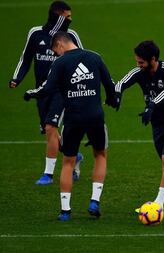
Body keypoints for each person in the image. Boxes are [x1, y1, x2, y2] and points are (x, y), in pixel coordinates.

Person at [24, 31, 120, 221]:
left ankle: (65, 211)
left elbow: (48, 88)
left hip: (73, 119)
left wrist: (31, 93)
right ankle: (94, 201)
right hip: (95, 116)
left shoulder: (60, 63)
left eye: (55, 51)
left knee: (68, 162)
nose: (56, 55)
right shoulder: (95, 57)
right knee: (100, 155)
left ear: (60, 44)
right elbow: (110, 84)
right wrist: (112, 100)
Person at [115, 40, 164, 216]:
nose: (138, 65)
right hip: (158, 124)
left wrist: (151, 105)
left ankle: (158, 205)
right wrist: (117, 94)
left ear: (153, 59)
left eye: (141, 62)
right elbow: (121, 82)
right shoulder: (140, 72)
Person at [9, 1, 84, 185]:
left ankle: (48, 174)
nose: (70, 20)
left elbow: (83, 59)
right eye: (67, 17)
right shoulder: (35, 33)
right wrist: (16, 78)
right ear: (57, 16)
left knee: (51, 126)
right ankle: (73, 155)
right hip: (41, 91)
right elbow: (26, 58)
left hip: (62, 90)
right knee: (48, 131)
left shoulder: (70, 36)